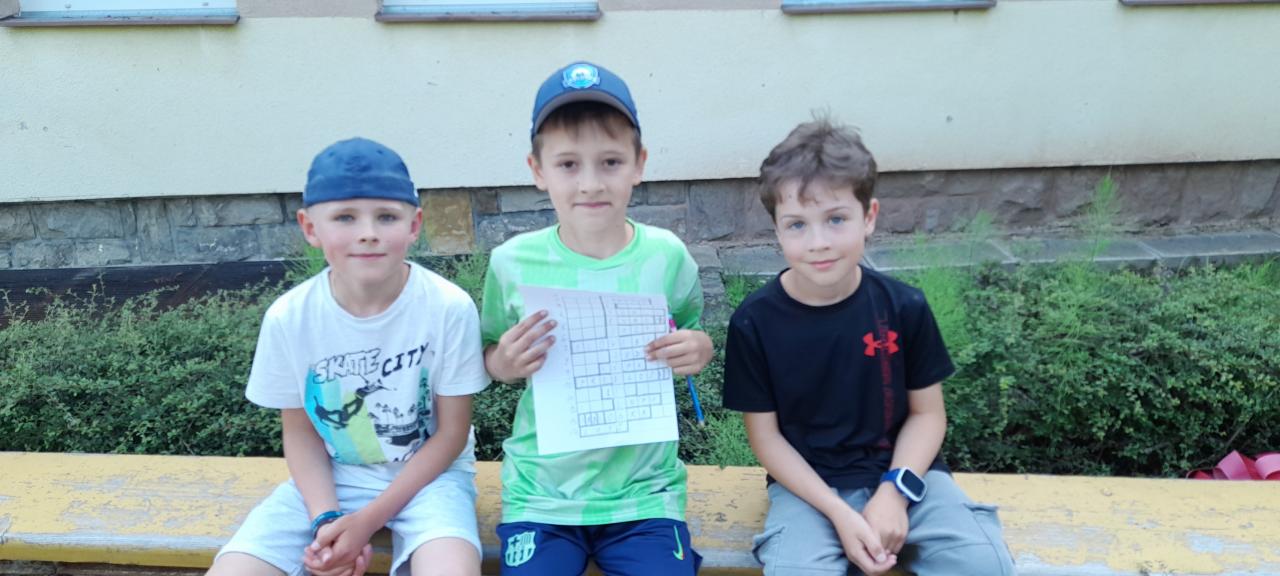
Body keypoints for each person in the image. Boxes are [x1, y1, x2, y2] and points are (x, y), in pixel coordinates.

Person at [722, 117, 1016, 575]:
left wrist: (895, 492)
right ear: (776, 230)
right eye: (797, 225)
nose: (818, 243)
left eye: (836, 219)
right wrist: (839, 512)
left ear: (869, 217)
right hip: (809, 490)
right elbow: (766, 438)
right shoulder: (753, 322)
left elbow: (928, 415)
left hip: (907, 475)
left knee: (983, 564)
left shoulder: (904, 307)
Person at [207, 137, 489, 576]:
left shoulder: (448, 307)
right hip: (331, 480)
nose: (368, 232)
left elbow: (451, 435)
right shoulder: (289, 317)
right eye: (345, 217)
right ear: (310, 227)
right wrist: (326, 520)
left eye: (386, 216)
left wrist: (367, 522)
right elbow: (300, 434)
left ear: (414, 225)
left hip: (432, 480)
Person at [480, 61, 713, 575]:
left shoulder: (666, 256)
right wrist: (504, 363)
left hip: (645, 494)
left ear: (638, 164)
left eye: (610, 162)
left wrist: (699, 349)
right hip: (542, 493)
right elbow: (489, 351)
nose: (590, 183)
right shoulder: (512, 263)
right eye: (568, 164)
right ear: (537, 170)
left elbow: (689, 328)